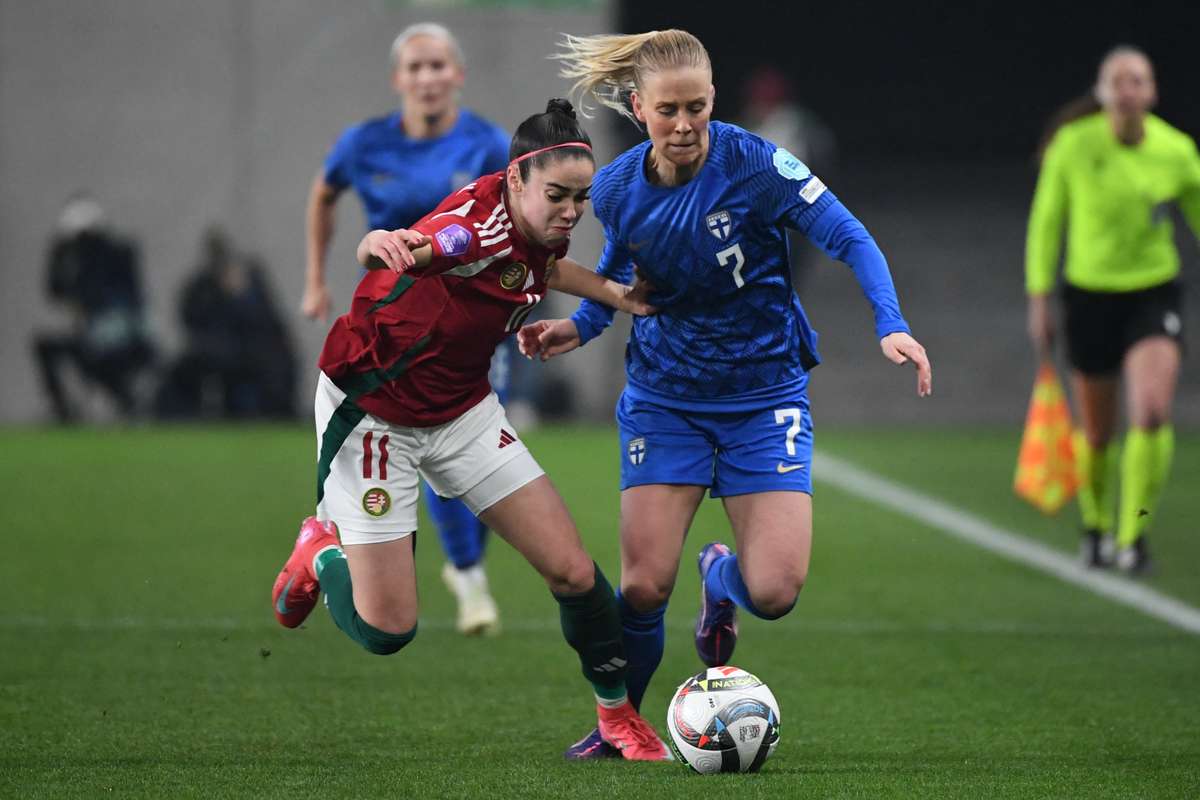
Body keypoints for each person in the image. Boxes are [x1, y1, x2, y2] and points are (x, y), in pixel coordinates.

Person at [519, 30, 931, 759]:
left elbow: (849, 235)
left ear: (713, 100)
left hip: (764, 396)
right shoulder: (614, 188)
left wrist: (890, 323)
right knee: (644, 588)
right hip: (665, 397)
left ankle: (720, 575)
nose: (684, 126)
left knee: (774, 592)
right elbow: (623, 278)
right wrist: (579, 328)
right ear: (639, 108)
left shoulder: (756, 164)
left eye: (697, 108)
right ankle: (621, 726)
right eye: (668, 111)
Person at [270, 99, 668, 760]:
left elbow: (543, 266)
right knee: (387, 631)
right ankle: (319, 550)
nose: (572, 211)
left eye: (581, 198)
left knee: (573, 573)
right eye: (559, 196)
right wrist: (379, 243)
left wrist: (616, 295)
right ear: (515, 179)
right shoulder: (470, 232)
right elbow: (419, 246)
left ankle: (617, 717)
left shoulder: (537, 221)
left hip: (462, 409)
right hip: (374, 411)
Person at [302, 22, 512, 634]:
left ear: (458, 75)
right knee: (428, 440)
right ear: (398, 79)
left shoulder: (487, 143)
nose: (427, 77)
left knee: (481, 451)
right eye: (415, 67)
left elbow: (518, 216)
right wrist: (315, 279)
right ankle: (468, 578)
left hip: (471, 318)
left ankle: (463, 565)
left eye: (437, 65)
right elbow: (323, 195)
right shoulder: (363, 143)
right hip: (390, 324)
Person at [1026, 46, 1200, 574]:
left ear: (1152, 92)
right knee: (1098, 432)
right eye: (1117, 80)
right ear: (1101, 92)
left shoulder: (1176, 151)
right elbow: (1046, 222)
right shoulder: (1073, 145)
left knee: (1150, 411)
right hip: (1089, 295)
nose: (1127, 90)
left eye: (1137, 80)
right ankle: (1097, 526)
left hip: (1153, 292)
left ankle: (1133, 535)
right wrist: (1039, 298)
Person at [32, 193, 154, 422]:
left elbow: (129, 297)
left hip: (118, 331)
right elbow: (55, 290)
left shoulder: (117, 253)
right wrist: (58, 255)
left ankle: (127, 402)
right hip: (92, 334)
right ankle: (64, 410)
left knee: (95, 355)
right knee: (54, 349)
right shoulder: (72, 256)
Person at [154, 227, 297, 419]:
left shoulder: (250, 281)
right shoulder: (202, 287)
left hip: (252, 351)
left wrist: (241, 295)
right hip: (219, 351)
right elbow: (191, 318)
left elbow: (265, 320)